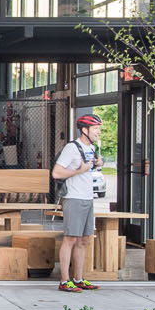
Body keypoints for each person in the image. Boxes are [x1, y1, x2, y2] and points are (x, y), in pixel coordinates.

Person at [52, 115, 103, 292]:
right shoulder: (71, 148)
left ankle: (78, 278)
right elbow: (56, 173)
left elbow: (89, 169)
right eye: (96, 128)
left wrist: (98, 163)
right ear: (85, 130)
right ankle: (65, 281)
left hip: (88, 198)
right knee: (70, 238)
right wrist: (78, 170)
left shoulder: (92, 148)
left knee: (84, 239)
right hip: (74, 197)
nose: (98, 132)